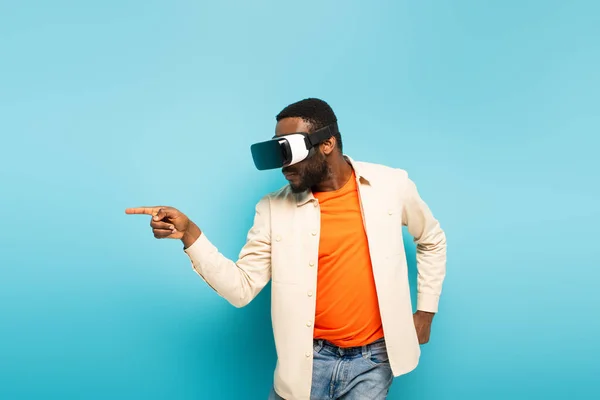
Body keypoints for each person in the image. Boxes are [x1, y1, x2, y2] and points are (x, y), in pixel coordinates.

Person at [126, 98, 447, 400]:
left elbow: (431, 239)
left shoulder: (391, 185)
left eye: (290, 150)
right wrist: (190, 234)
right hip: (307, 363)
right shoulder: (272, 209)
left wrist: (426, 311)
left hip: (374, 360)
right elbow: (240, 288)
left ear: (327, 143)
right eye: (277, 153)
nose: (284, 166)